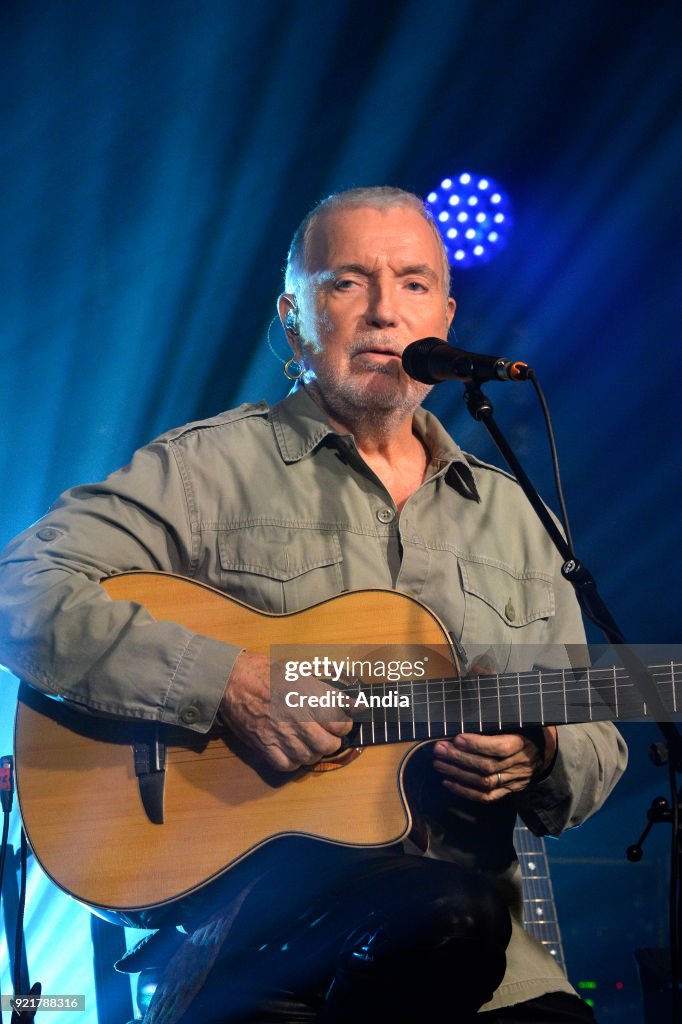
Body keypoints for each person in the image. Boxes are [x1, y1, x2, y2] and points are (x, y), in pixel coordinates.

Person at [0, 187, 626, 1023]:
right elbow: (20, 588)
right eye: (345, 282)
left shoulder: (516, 516)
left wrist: (543, 752)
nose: (381, 313)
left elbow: (595, 731)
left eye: (411, 283)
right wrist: (227, 681)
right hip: (256, 942)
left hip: (488, 959)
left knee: (464, 926)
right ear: (295, 318)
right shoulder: (204, 472)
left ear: (444, 311)